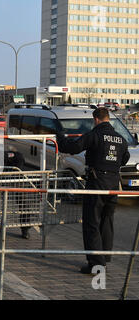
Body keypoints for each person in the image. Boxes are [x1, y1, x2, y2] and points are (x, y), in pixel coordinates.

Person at [56, 107, 130, 275]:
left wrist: (60, 137)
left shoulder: (95, 135)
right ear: (108, 119)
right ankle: (104, 258)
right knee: (107, 221)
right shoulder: (120, 138)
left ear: (96, 119)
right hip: (113, 183)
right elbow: (124, 159)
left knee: (92, 223)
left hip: (97, 182)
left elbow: (73, 148)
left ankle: (96, 264)